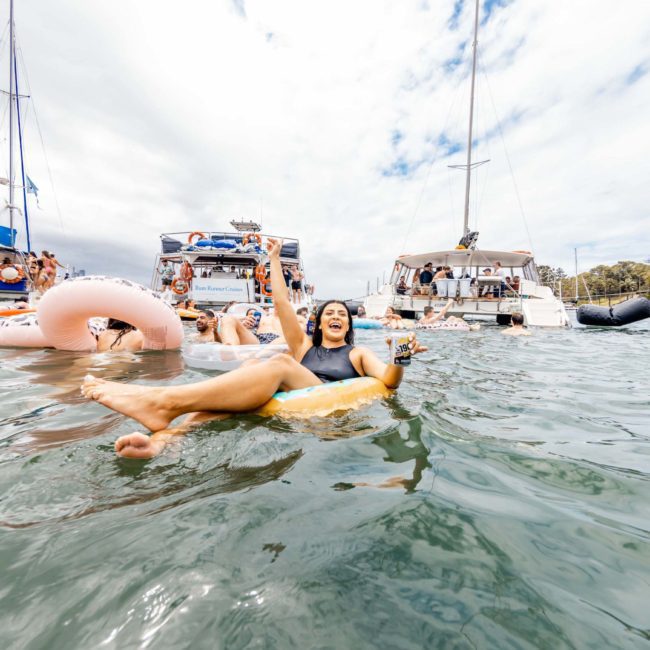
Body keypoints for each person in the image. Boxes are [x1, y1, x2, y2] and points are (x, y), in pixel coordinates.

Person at [82, 238, 427, 458]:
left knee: (279, 364)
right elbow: (281, 303)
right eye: (329, 314)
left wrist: (402, 355)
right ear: (319, 323)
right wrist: (274, 260)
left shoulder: (357, 355)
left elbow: (390, 381)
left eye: (342, 315)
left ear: (348, 326)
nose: (336, 317)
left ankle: (164, 401)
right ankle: (161, 441)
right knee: (223, 402)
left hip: (323, 410)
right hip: (282, 402)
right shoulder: (302, 344)